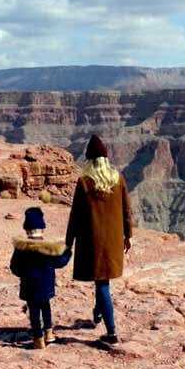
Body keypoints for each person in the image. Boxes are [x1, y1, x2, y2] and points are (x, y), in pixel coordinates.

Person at [65, 135, 132, 345]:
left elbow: (75, 215)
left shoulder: (84, 182)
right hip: (112, 241)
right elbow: (126, 210)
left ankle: (111, 332)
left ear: (90, 160)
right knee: (102, 279)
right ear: (105, 158)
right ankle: (98, 311)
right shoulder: (117, 178)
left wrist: (68, 242)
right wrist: (128, 235)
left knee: (102, 283)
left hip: (91, 241)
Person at [9, 207, 71, 350]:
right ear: (42, 229)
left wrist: (23, 275)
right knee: (46, 306)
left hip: (29, 286)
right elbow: (60, 262)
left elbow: (15, 268)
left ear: (26, 230)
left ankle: (38, 339)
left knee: (34, 312)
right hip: (45, 286)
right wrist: (68, 251)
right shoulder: (49, 248)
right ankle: (49, 333)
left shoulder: (21, 248)